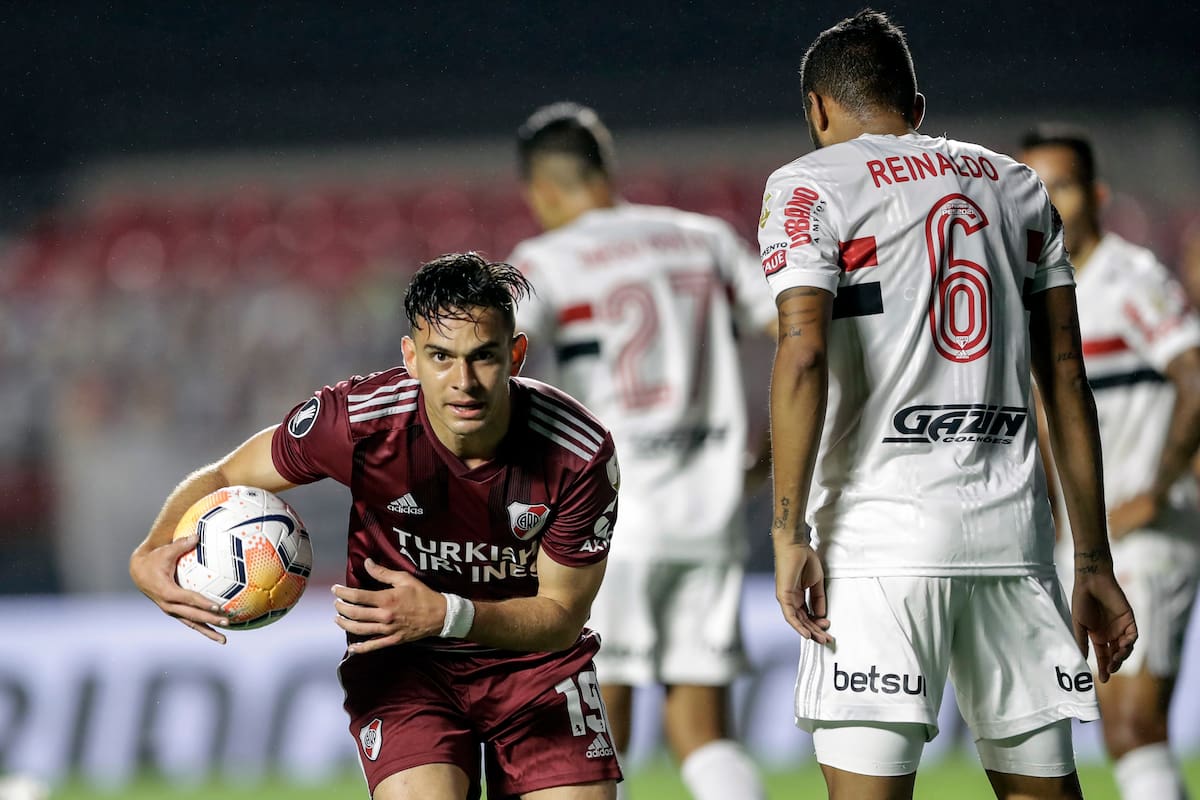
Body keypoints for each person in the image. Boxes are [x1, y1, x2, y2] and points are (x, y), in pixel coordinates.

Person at [758, 11, 1138, 800]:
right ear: (917, 106)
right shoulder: (1017, 183)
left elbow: (801, 353)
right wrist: (1092, 560)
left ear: (818, 109)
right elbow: (1065, 373)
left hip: (878, 543)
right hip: (1013, 541)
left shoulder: (809, 184)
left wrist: (787, 528)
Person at [129, 253, 624, 800]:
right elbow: (226, 472)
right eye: (441, 356)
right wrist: (150, 549)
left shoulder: (576, 452)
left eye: (483, 357)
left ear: (516, 354)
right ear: (411, 358)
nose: (464, 382)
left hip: (534, 667)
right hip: (403, 663)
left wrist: (446, 614)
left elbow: (560, 616)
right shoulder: (360, 422)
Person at [507, 102, 776, 800]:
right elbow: (795, 325)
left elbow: (496, 365)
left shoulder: (544, 261)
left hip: (603, 523)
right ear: (605, 170)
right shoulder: (703, 238)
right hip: (709, 515)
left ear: (541, 190)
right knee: (705, 730)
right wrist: (772, 453)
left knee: (596, 734)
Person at [1020, 128, 1200, 800]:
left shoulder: (1128, 277)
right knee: (1111, 728)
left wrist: (1156, 489)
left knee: (1132, 724)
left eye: (1061, 186)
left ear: (1096, 195)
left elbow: (1195, 374)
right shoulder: (1035, 288)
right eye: (1033, 188)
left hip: (1145, 533)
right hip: (1088, 540)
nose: (1048, 203)